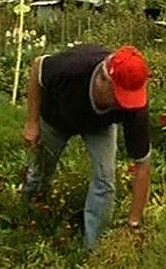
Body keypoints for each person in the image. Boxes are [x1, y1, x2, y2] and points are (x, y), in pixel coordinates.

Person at [22, 44, 151, 249]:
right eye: (119, 98)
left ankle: (93, 248)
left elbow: (142, 165)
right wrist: (32, 122)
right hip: (56, 118)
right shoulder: (71, 68)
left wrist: (133, 224)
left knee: (105, 179)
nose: (124, 105)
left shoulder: (134, 106)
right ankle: (26, 219)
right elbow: (38, 67)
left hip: (99, 127)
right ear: (103, 79)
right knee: (40, 172)